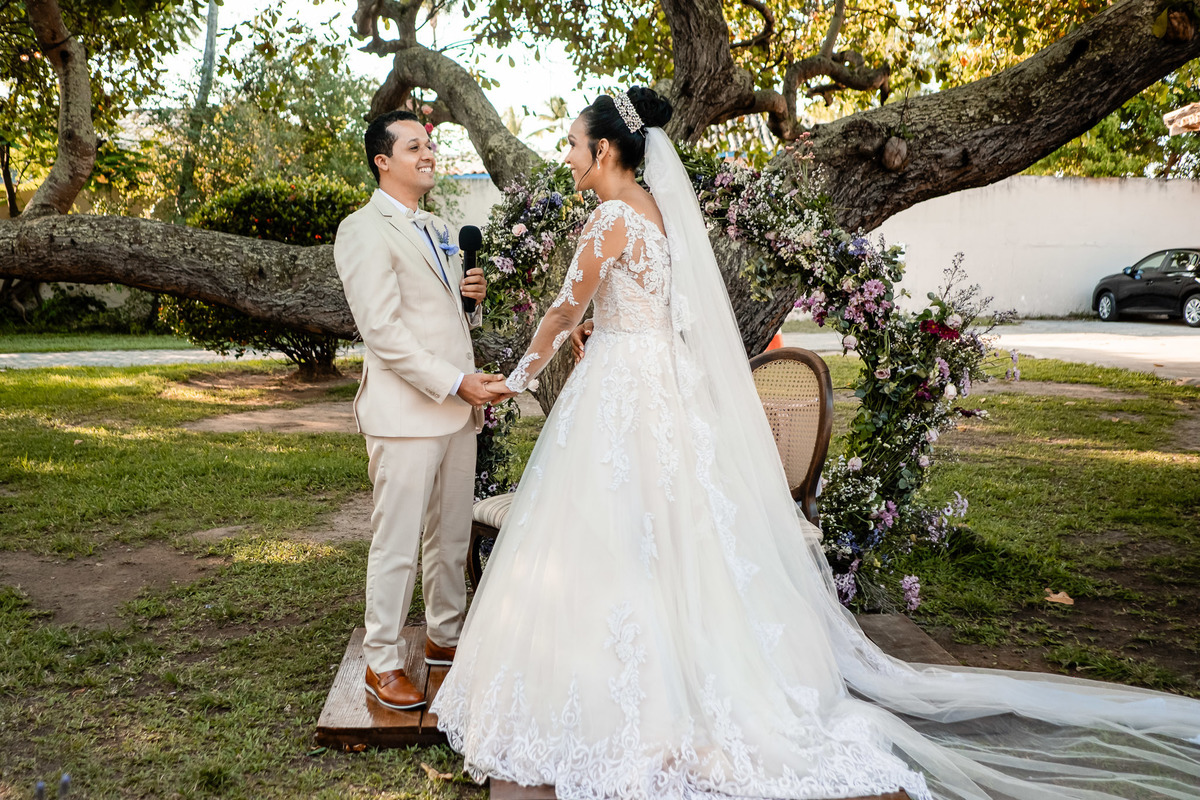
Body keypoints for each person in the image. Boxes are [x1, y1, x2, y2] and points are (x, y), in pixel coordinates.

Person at [433, 89, 1200, 798]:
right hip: (655, 381)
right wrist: (614, 326)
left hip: (621, 391)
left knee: (615, 530)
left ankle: (622, 701)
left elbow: (562, 312)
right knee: (669, 536)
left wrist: (515, 376)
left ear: (604, 151)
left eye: (571, 145)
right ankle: (690, 684)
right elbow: (657, 312)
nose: (566, 156)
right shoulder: (659, 214)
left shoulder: (608, 218)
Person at [333, 110, 505, 711]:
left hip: (456, 411)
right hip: (407, 413)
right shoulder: (362, 230)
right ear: (383, 160)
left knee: (450, 534)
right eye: (415, 146)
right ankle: (382, 661)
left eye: (429, 144)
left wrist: (470, 305)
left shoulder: (437, 226)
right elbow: (382, 330)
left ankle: (443, 635)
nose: (428, 152)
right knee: (398, 542)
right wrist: (458, 381)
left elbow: (441, 318)